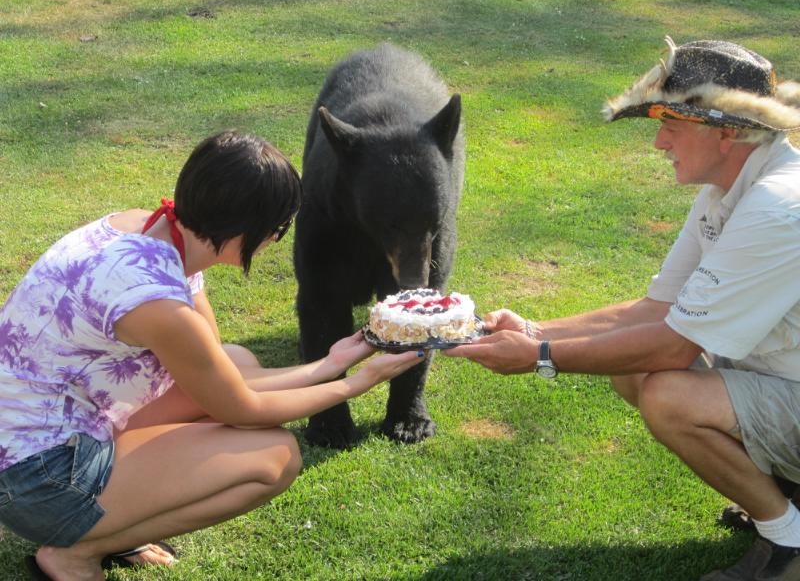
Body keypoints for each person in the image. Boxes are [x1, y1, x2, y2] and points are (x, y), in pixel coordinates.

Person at [444, 37, 800, 581]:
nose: (659, 142)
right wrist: (534, 329)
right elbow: (658, 309)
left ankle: (788, 538)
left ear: (727, 132)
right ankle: (785, 491)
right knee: (633, 370)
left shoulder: (776, 206)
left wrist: (540, 356)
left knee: (668, 394)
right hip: (780, 378)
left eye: (672, 125)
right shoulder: (728, 187)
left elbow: (673, 345)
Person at [0, 130, 424, 581]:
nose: (276, 240)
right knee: (274, 458)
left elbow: (224, 377)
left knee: (236, 360)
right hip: (37, 477)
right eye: (278, 228)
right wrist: (357, 382)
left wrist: (331, 362)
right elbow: (242, 409)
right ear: (246, 229)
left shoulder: (150, 228)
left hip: (43, 433)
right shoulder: (159, 305)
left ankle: (115, 518)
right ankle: (78, 550)